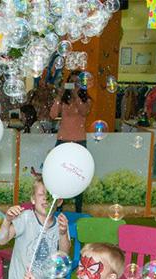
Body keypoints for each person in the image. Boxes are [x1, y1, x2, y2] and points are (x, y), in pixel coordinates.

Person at [50, 72, 92, 211]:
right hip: (62, 140)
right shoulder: (63, 99)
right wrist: (59, 95)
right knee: (59, 175)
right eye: (71, 81)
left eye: (77, 82)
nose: (74, 84)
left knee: (79, 175)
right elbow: (53, 114)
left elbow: (84, 112)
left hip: (79, 141)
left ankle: (78, 210)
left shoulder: (86, 99)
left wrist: (75, 95)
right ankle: (58, 209)